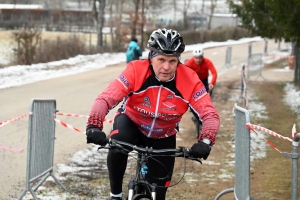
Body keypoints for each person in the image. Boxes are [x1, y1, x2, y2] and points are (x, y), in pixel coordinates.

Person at [85, 28, 220, 200]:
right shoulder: (135, 70)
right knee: (118, 145)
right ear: (151, 57)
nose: (166, 67)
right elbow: (105, 98)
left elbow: (210, 115)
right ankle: (115, 195)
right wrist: (94, 125)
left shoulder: (190, 79)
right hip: (131, 122)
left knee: (159, 194)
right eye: (161, 59)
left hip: (164, 133)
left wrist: (206, 141)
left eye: (172, 61)